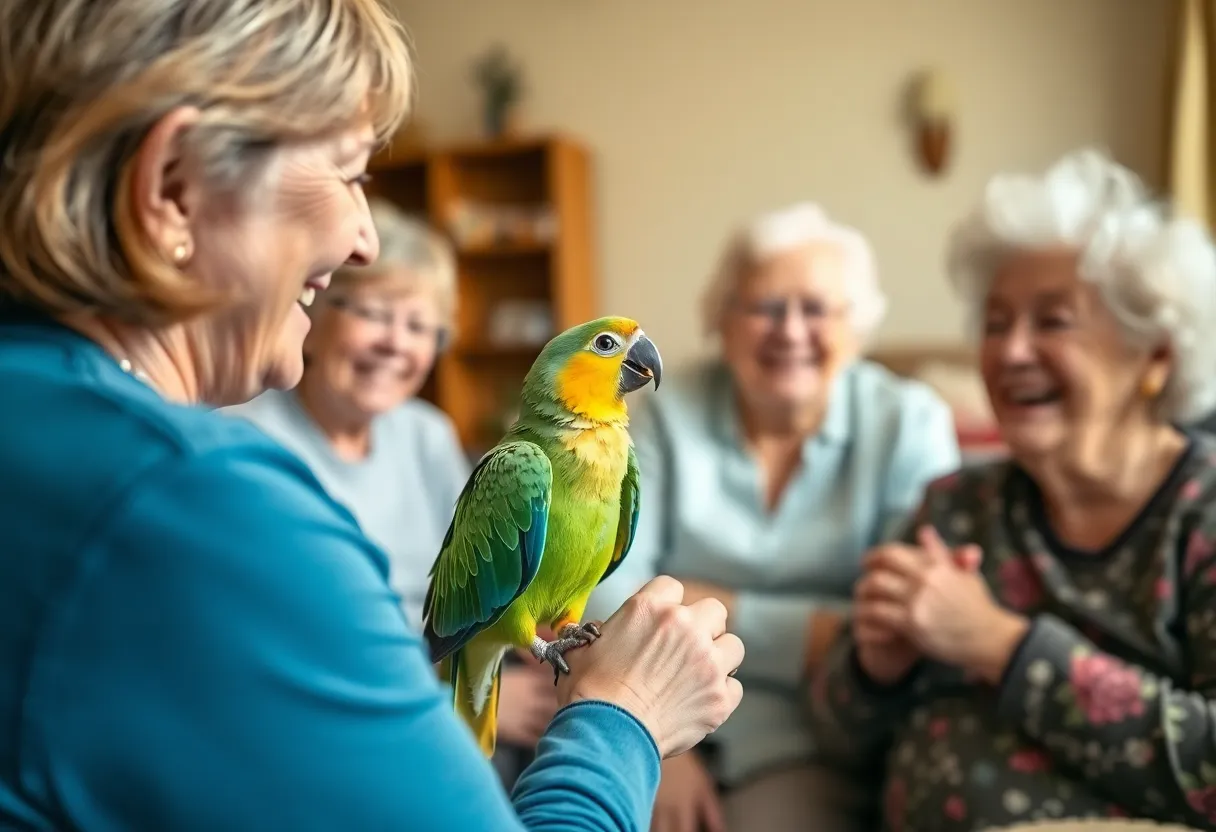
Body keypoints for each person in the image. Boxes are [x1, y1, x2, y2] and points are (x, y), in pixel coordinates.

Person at [0, 1, 744, 830]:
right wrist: (624, 717)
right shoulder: (192, 500)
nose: (363, 241)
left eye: (425, 326)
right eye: (351, 174)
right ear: (172, 185)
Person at [809, 149, 1216, 831]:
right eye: (996, 324)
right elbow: (837, 738)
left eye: (1052, 321)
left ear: (1155, 357)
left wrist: (999, 643)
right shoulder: (956, 507)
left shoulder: (1201, 513)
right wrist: (876, 668)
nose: (1010, 351)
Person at [586, 202, 961, 831]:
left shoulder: (908, 424)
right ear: (722, 320)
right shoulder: (657, 414)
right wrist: (655, 743)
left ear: (857, 326)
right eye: (764, 307)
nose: (789, 331)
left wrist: (694, 602)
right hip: (651, 701)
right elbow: (603, 589)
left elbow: (898, 616)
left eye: (816, 309)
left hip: (814, 730)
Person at [226, 197, 557, 784]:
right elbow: (289, 638)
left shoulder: (425, 434)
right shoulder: (248, 436)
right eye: (375, 314)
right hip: (347, 713)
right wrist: (463, 708)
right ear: (314, 312)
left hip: (447, 683)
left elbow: (477, 582)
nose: (395, 344)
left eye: (419, 326)